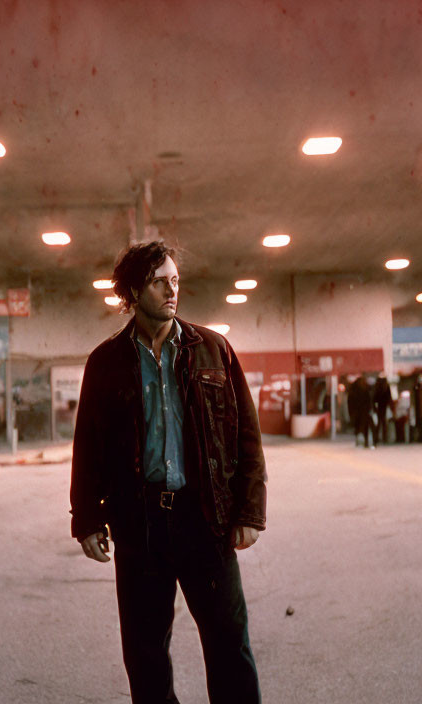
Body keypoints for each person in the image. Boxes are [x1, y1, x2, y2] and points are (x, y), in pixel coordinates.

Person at [70, 241, 266, 704]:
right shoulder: (106, 362)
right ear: (134, 291)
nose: (171, 289)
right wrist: (87, 518)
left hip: (206, 520)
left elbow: (247, 438)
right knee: (145, 655)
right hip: (141, 526)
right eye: (160, 282)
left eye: (175, 280)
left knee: (228, 646)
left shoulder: (214, 350)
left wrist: (249, 511)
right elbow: (89, 447)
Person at [347, 375, 375, 448]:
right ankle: (364, 441)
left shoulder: (354, 390)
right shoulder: (363, 390)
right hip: (361, 412)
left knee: (361, 426)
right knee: (362, 426)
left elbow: (350, 402)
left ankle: (362, 441)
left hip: (361, 412)